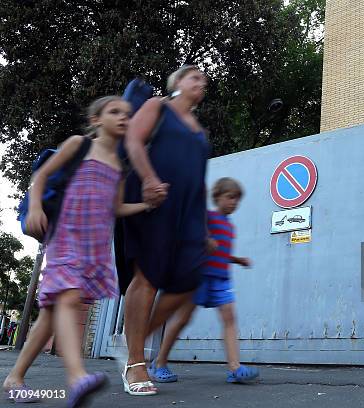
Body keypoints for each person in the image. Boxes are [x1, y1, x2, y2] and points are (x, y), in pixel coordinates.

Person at [3, 96, 150, 406]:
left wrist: (146, 205)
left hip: (93, 246)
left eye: (127, 114)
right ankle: (77, 377)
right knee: (68, 297)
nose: (123, 117)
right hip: (66, 237)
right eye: (114, 112)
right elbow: (41, 176)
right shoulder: (78, 145)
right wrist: (36, 207)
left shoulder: (119, 167)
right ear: (96, 119)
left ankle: (14, 378)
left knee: (50, 315)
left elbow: (116, 208)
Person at [118, 65, 211, 396]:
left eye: (204, 79)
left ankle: (133, 340)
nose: (201, 82)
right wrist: (148, 178)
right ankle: (134, 361)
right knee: (147, 277)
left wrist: (202, 227)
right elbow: (133, 139)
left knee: (189, 280)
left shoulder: (200, 130)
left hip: (187, 211)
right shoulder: (159, 106)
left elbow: (199, 180)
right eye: (194, 77)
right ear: (177, 83)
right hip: (152, 198)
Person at [148, 177, 259, 384]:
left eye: (237, 199)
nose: (234, 202)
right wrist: (204, 237)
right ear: (217, 197)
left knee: (229, 319)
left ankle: (235, 368)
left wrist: (238, 260)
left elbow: (221, 252)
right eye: (230, 197)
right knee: (182, 319)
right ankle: (159, 363)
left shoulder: (230, 227)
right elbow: (191, 228)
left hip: (221, 279)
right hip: (199, 277)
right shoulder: (207, 217)